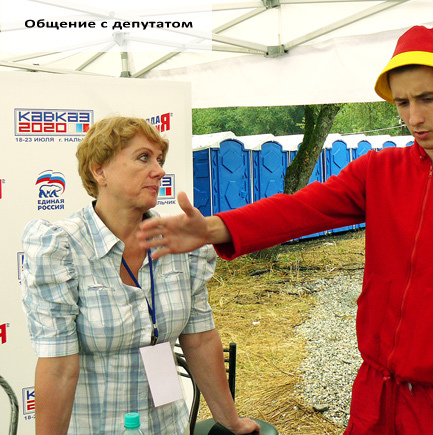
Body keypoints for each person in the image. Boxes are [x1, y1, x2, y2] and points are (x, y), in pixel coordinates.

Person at [137, 26, 433, 435]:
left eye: (427, 98)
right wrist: (215, 227)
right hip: (375, 391)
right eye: (402, 103)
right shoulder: (380, 169)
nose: (414, 117)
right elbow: (302, 209)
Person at [21, 117, 260, 435]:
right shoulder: (62, 248)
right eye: (143, 157)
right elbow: (59, 367)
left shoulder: (177, 241)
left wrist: (230, 421)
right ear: (99, 171)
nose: (159, 170)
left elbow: (200, 339)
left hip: (167, 426)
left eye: (160, 160)